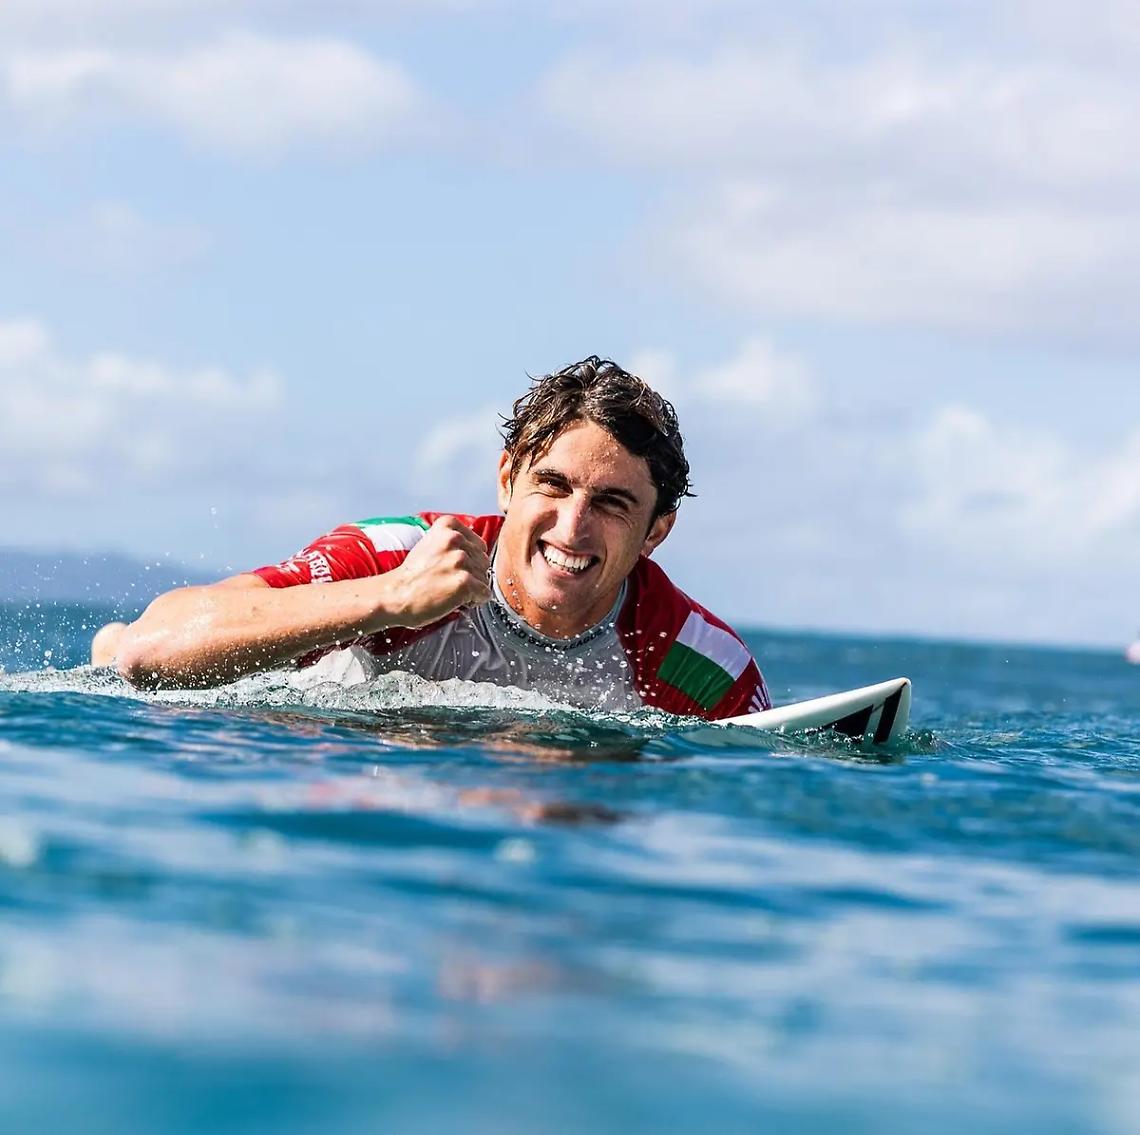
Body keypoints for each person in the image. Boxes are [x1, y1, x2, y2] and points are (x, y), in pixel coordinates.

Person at [97, 357, 770, 720]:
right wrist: (387, 598)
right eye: (553, 486)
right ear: (507, 481)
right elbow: (151, 651)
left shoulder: (692, 659)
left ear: (657, 532)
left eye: (612, 504)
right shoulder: (400, 555)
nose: (572, 526)